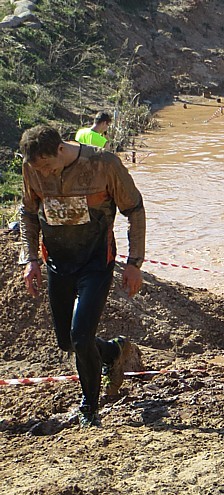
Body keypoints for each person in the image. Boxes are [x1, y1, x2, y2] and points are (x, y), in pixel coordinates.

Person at [18, 125, 146, 428]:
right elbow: (28, 212)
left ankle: (89, 407)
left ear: (61, 149)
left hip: (95, 261)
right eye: (39, 169)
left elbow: (135, 209)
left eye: (48, 166)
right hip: (58, 262)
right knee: (67, 341)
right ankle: (114, 351)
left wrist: (134, 263)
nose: (45, 174)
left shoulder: (104, 164)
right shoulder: (31, 168)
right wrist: (31, 259)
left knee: (80, 335)